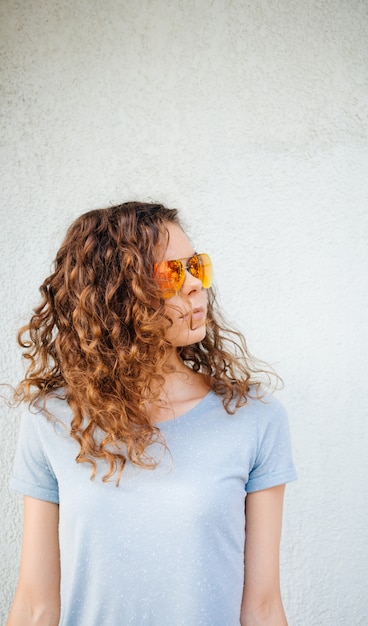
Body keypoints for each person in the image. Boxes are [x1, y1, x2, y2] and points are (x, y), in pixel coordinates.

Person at [7, 201, 297, 626]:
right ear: (115, 295)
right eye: (171, 274)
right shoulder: (51, 419)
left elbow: (263, 607)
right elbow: (36, 605)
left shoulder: (255, 418)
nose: (196, 286)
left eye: (196, 266)